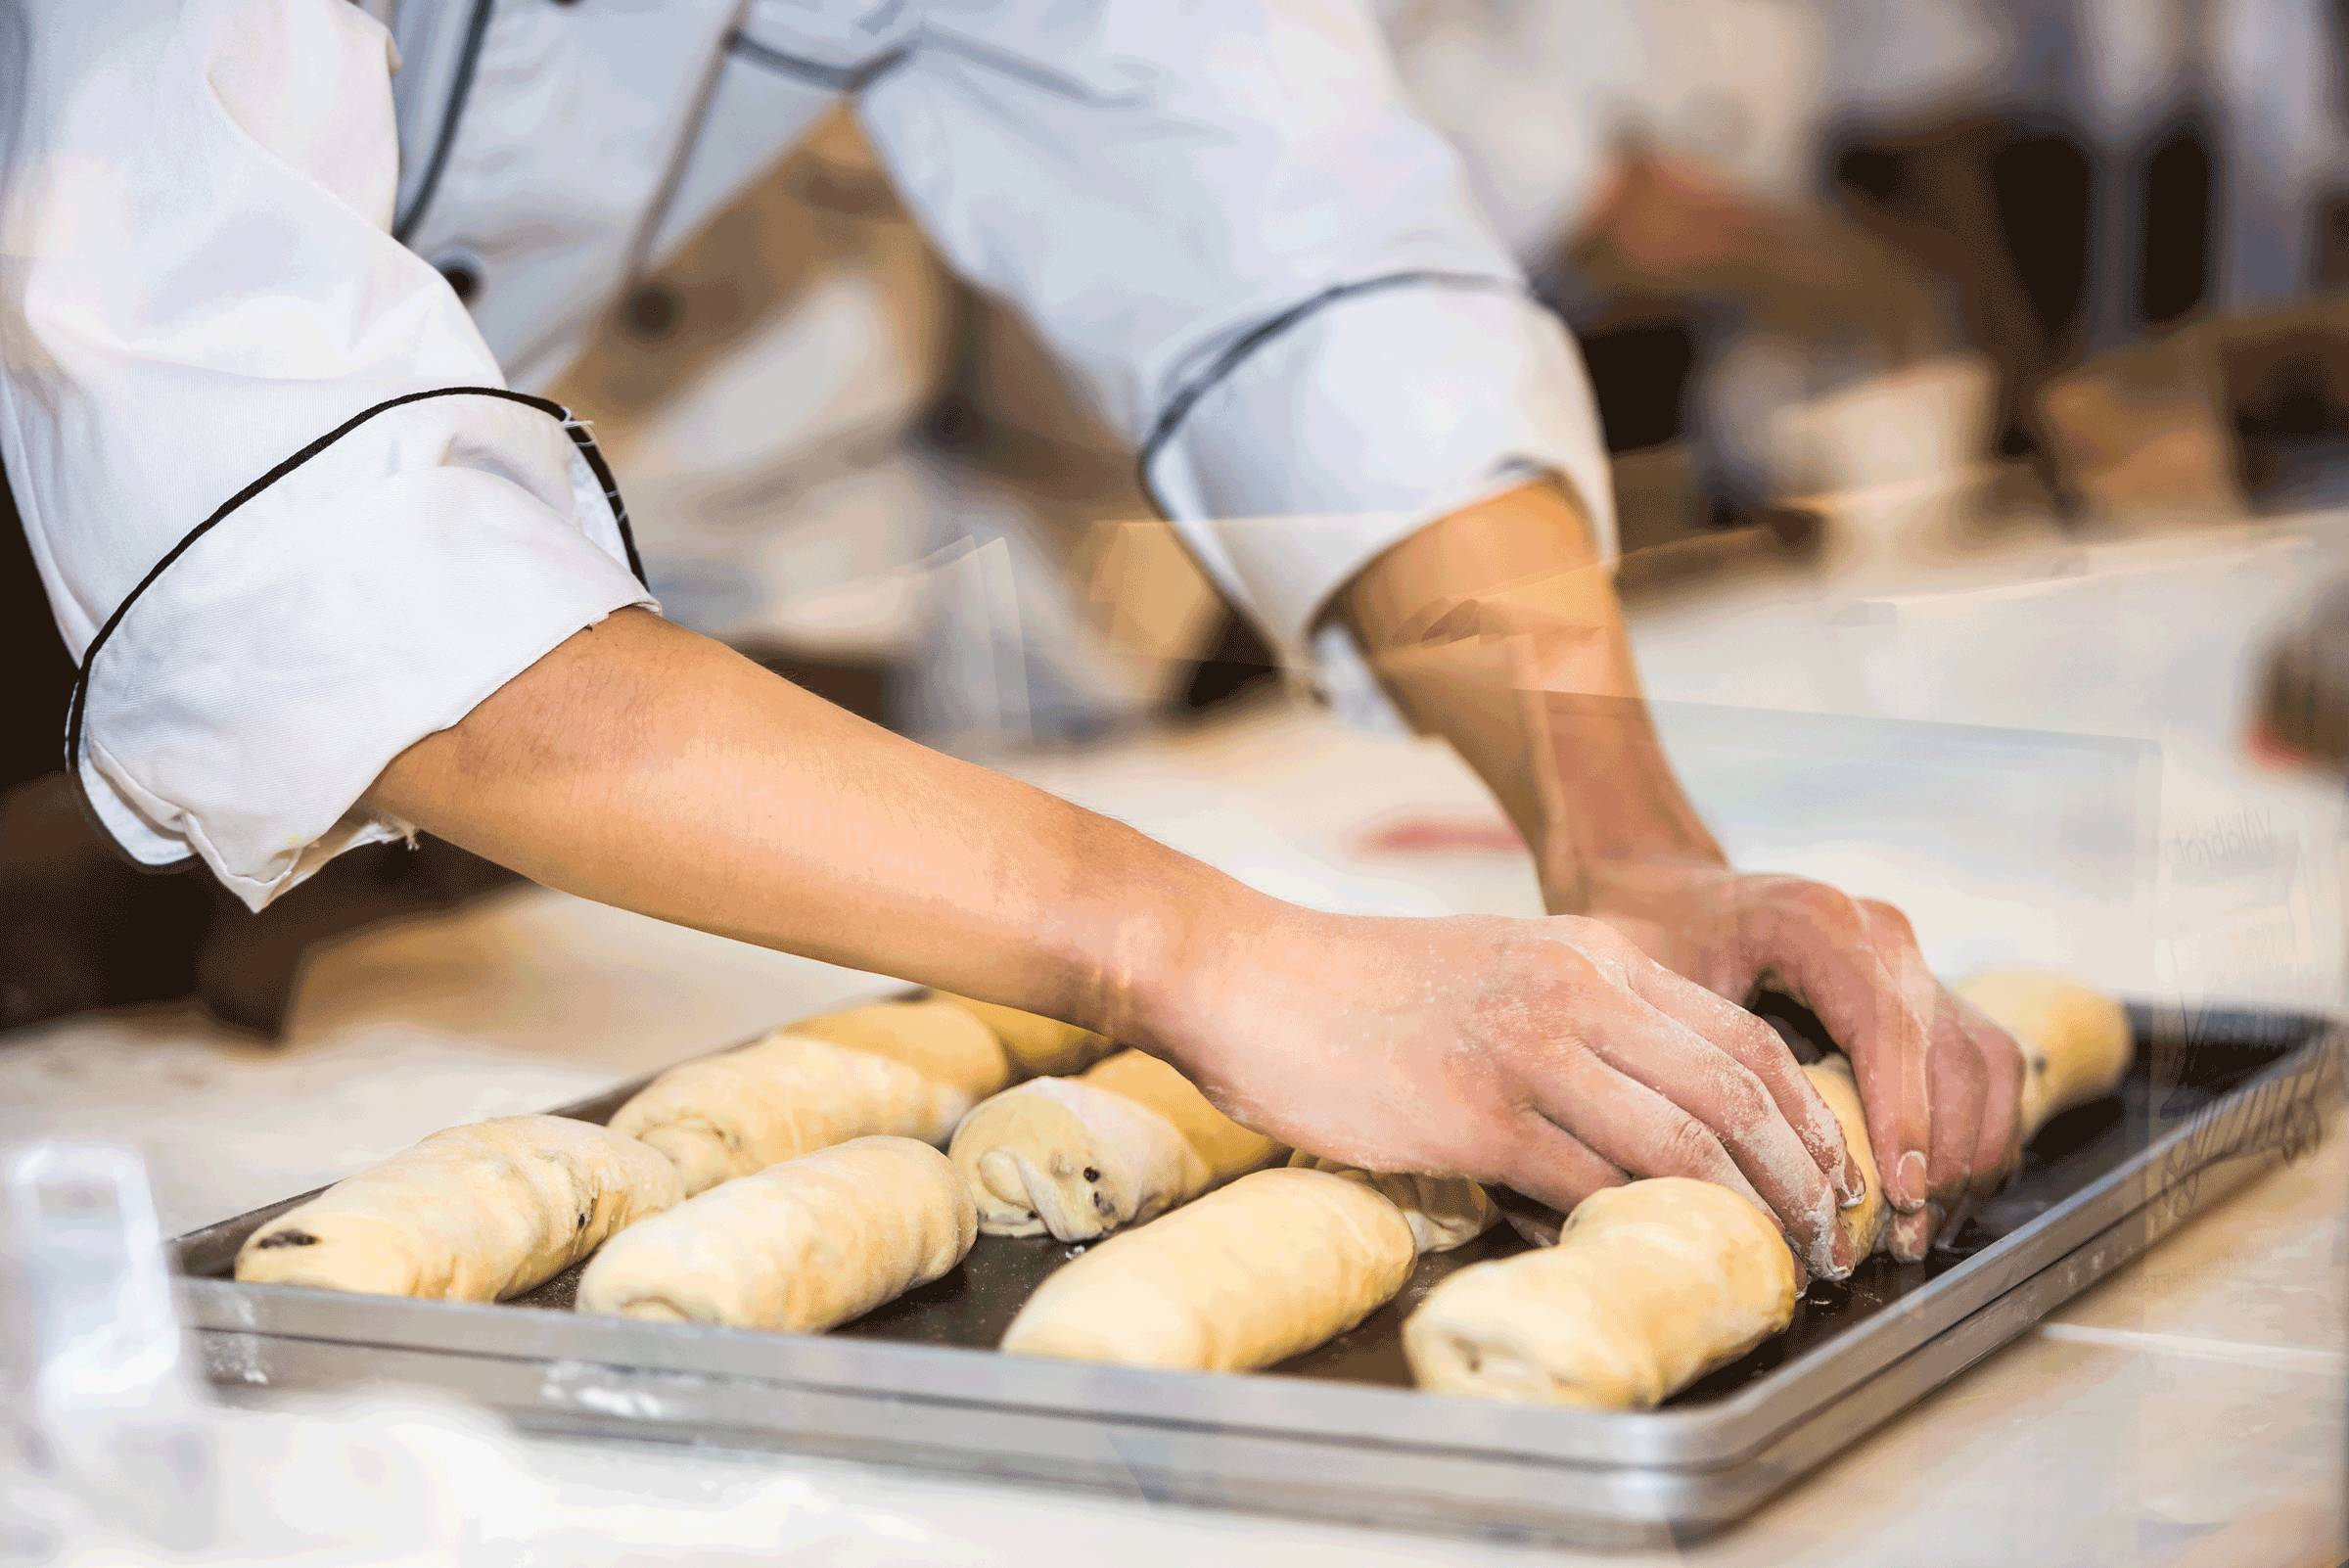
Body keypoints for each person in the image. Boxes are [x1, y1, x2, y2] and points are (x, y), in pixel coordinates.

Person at [0, 0, 2023, 1274]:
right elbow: (277, 525)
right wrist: (1207, 953)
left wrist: (1625, 835)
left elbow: (1312, 260)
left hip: (414, 670)